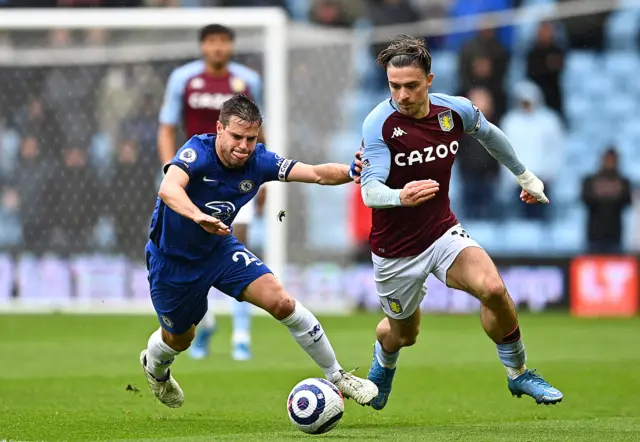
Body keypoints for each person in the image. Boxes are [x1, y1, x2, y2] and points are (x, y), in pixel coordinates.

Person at [358, 35, 563, 410]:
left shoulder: (454, 111)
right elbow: (369, 191)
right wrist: (399, 196)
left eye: (411, 86)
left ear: (430, 81)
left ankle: (518, 374)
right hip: (395, 250)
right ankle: (383, 364)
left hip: (441, 232)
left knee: (494, 289)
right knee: (404, 334)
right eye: (394, 86)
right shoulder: (379, 124)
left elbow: (490, 135)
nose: (401, 95)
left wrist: (524, 175)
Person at [141, 93, 378, 408]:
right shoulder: (196, 152)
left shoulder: (260, 161)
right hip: (173, 261)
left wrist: (351, 172)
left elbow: (316, 173)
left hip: (218, 249)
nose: (243, 146)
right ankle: (156, 370)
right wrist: (198, 215)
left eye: (250, 139)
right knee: (180, 339)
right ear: (219, 129)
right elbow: (168, 188)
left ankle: (337, 377)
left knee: (281, 302)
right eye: (236, 136)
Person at [158, 23, 266, 361]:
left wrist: (262, 177)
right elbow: (167, 127)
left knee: (240, 248)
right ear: (203, 46)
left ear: (231, 46)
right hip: (195, 176)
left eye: (224, 42)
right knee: (192, 252)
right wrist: (171, 168)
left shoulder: (247, 80)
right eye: (212, 42)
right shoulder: (184, 79)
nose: (218, 48)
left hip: (237, 177)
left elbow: (256, 129)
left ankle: (242, 334)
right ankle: (204, 323)